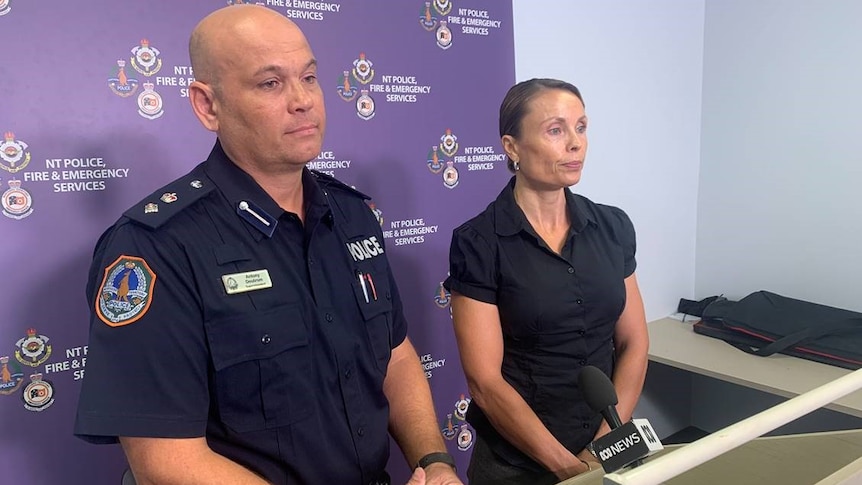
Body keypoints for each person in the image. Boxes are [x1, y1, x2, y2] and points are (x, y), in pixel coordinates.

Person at [74, 5, 462, 485]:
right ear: (207, 106)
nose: (303, 101)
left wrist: (434, 462)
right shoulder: (155, 247)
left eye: (310, 77)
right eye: (270, 84)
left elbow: (396, 355)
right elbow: (166, 464)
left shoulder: (353, 216)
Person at [443, 78, 649, 484]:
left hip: (604, 448)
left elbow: (634, 343)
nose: (575, 143)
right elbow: (485, 382)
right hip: (517, 464)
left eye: (581, 127)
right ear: (512, 146)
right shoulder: (479, 243)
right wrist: (570, 469)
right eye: (556, 130)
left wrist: (602, 449)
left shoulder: (613, 226)